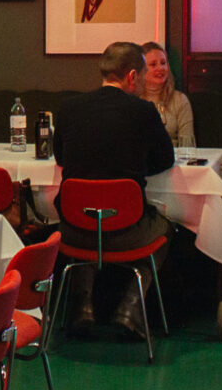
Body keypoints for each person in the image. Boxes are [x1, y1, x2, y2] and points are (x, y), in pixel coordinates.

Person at [54, 41, 174, 337]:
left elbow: (60, 158)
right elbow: (166, 159)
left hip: (74, 230)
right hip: (127, 233)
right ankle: (130, 307)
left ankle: (83, 304)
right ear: (132, 76)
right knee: (167, 227)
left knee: (87, 222)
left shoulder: (69, 109)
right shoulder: (144, 111)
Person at [140, 41, 195, 147]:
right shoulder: (132, 100)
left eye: (163, 63)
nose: (160, 68)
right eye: (153, 64)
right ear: (141, 70)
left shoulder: (179, 100)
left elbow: (188, 144)